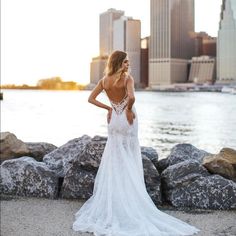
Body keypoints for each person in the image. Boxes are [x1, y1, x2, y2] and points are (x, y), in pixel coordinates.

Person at [72, 50, 200, 235]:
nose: (127, 65)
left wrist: (108, 107)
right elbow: (131, 97)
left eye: (128, 62)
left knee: (115, 158)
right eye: (125, 62)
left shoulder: (104, 81)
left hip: (114, 120)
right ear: (118, 63)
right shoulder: (127, 79)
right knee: (130, 158)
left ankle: (116, 200)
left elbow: (91, 99)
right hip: (127, 118)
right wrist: (129, 110)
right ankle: (130, 199)